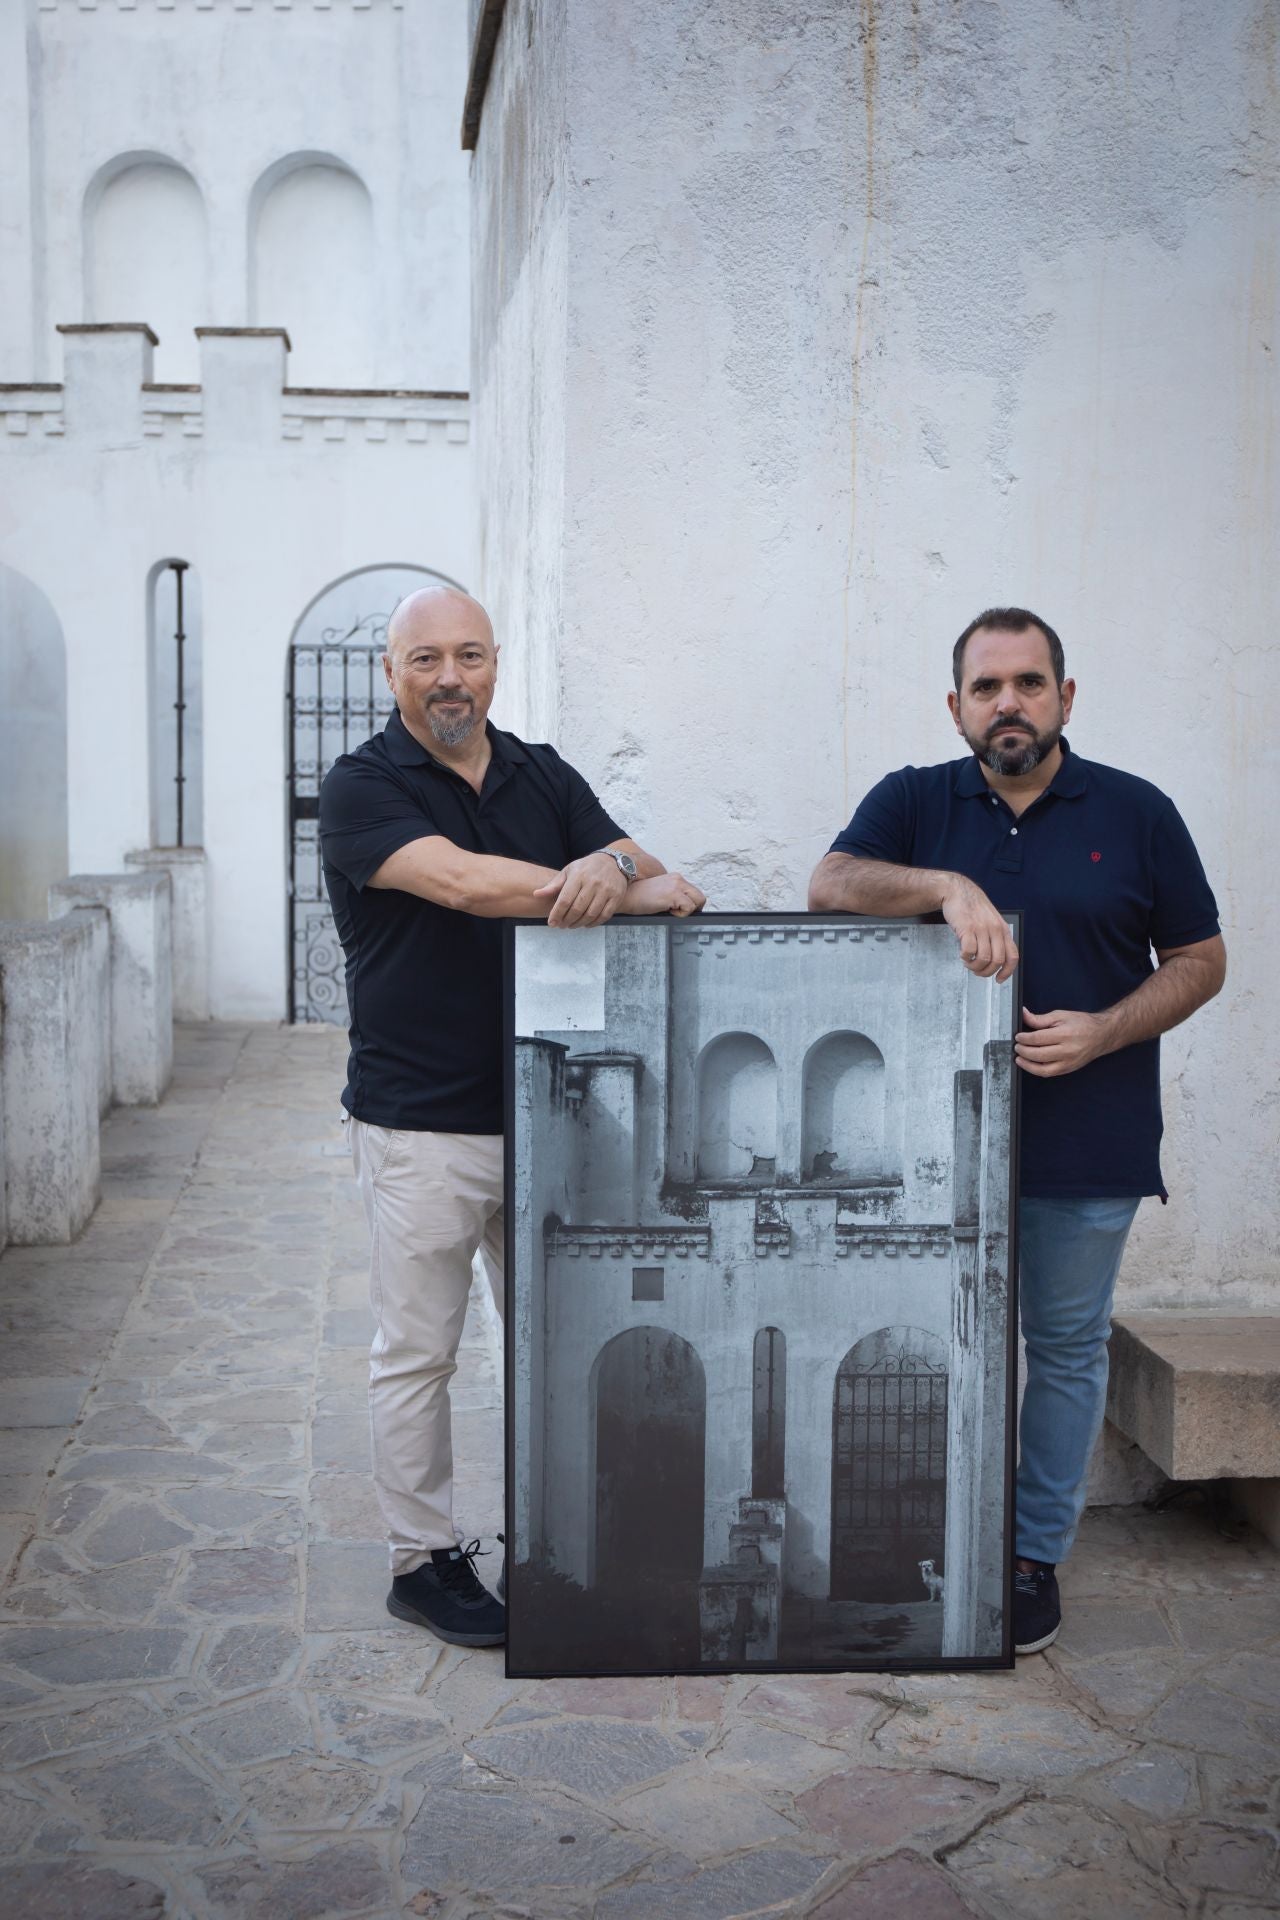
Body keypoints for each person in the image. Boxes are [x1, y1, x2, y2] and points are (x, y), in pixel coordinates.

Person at [808, 607, 1225, 1654]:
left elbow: (1198, 960)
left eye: (1028, 683)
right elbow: (829, 884)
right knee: (918, 1349)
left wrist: (1104, 1030)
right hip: (921, 1150)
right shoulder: (912, 801)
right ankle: (916, 1537)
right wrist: (948, 884)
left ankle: (1031, 1557)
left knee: (1065, 1351)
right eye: (986, 687)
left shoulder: (1136, 813)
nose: (1008, 703)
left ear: (1063, 699)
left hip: (1086, 1140)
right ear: (955, 708)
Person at [319, 585, 704, 1647]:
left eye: (470, 656)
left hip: (554, 1118)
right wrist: (618, 887)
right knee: (417, 1354)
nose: (451, 678)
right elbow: (463, 885)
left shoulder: (539, 772)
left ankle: (573, 1542)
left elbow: (649, 864)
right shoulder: (360, 787)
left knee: (566, 1346)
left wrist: (617, 863)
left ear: (495, 664)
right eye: (426, 659)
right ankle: (421, 1560)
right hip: (421, 1125)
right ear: (390, 673)